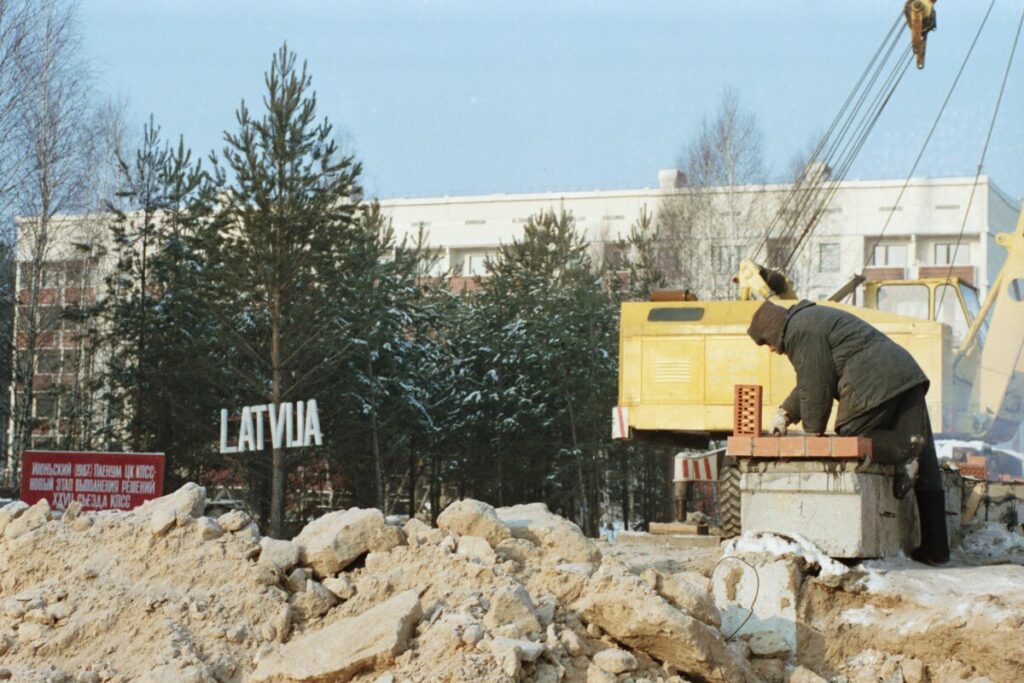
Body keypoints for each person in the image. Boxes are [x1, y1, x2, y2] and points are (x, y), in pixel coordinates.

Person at [747, 299, 950, 565]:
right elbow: (814, 377)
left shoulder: (799, 330)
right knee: (923, 457)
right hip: (905, 373)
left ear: (772, 330)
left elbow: (815, 386)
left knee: (853, 435)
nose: (771, 350)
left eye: (767, 343)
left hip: (876, 377)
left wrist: (812, 435)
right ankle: (936, 550)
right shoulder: (810, 321)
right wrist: (786, 413)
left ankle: (902, 448)